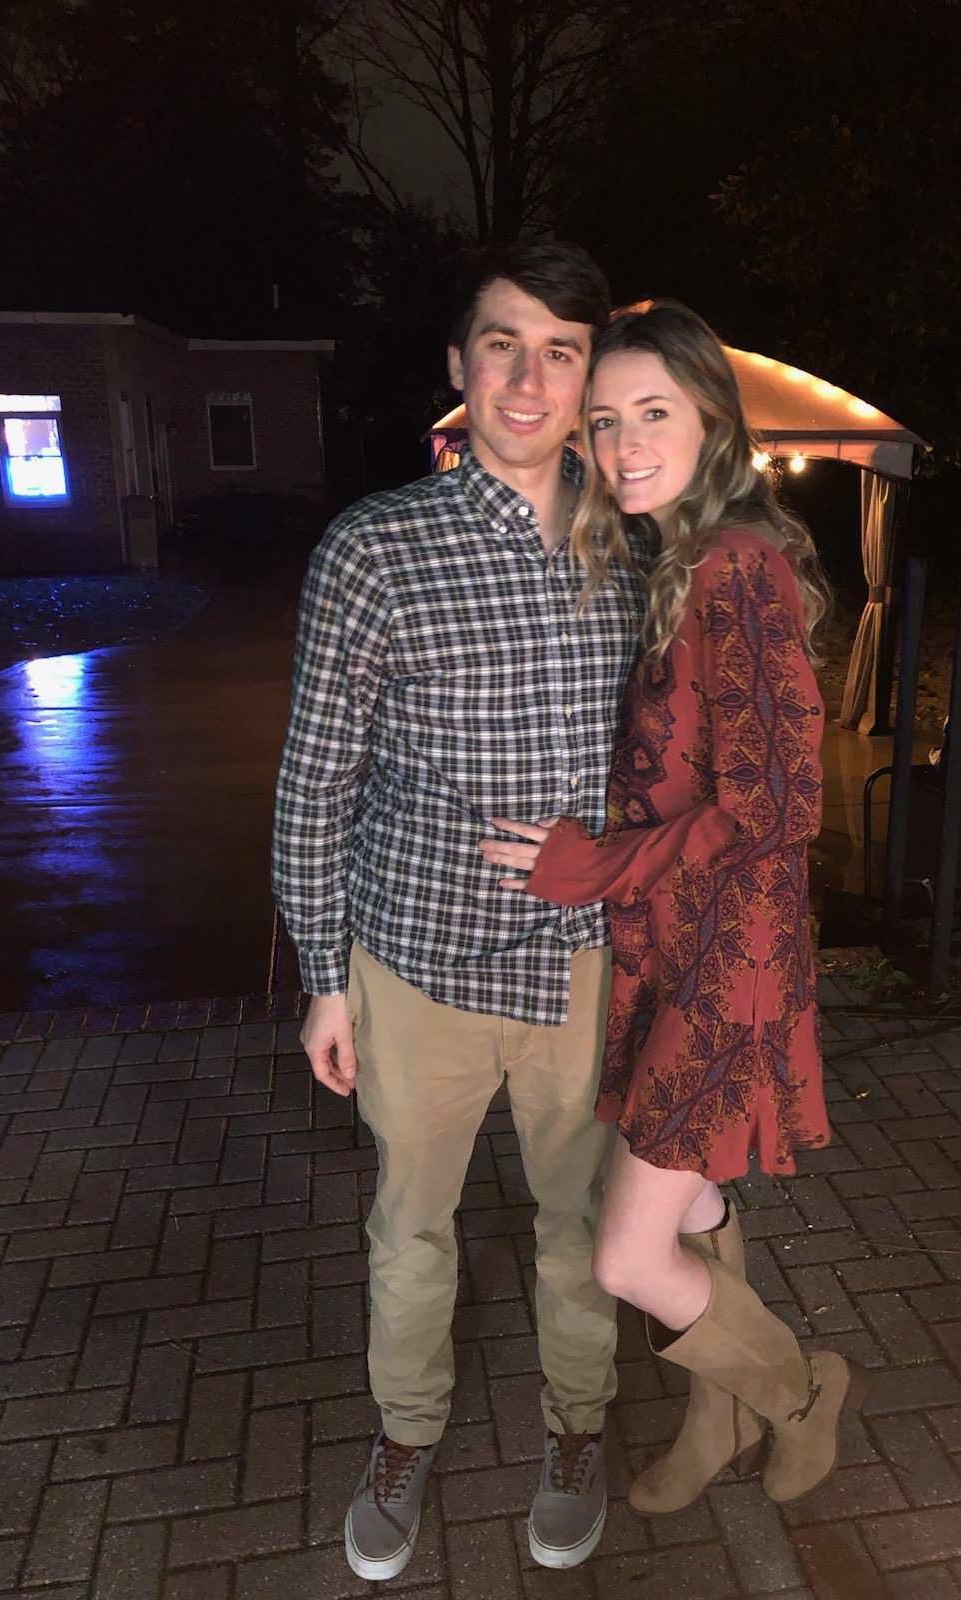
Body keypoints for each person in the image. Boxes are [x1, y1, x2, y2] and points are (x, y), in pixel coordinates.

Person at [272, 241, 648, 1581]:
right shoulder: (374, 549)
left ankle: (576, 1426)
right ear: (458, 364)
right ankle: (406, 1433)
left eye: (561, 351)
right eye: (504, 344)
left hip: (584, 967)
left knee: (580, 1221)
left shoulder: (635, 545)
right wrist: (325, 975)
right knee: (410, 1229)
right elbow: (316, 777)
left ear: (588, 374)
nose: (531, 379)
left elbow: (677, 766)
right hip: (418, 965)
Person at [479, 299, 866, 1516]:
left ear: (713, 423)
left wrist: (590, 866)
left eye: (654, 413)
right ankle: (718, 1419)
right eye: (604, 421)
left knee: (625, 1249)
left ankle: (798, 1390)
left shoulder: (735, 568)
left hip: (724, 958)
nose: (624, 442)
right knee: (689, 1200)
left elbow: (775, 805)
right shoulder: (683, 561)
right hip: (676, 942)